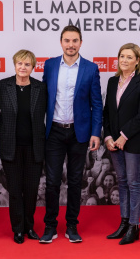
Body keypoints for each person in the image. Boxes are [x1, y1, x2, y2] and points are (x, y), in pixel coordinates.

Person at [40, 25, 103, 244]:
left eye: (75, 41)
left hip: (79, 132)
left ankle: (72, 226)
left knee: (76, 181)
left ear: (81, 43)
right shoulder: (49, 65)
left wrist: (96, 132)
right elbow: (42, 99)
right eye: (67, 40)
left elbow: (97, 103)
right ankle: (50, 226)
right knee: (52, 182)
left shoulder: (91, 68)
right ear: (61, 42)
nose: (70, 45)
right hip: (54, 132)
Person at [103, 43, 140, 245]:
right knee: (122, 182)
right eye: (121, 56)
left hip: (132, 141)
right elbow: (107, 112)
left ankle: (134, 225)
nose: (124, 60)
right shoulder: (112, 81)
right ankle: (124, 223)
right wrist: (108, 137)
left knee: (134, 183)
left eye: (129, 57)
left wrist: (124, 135)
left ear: (137, 61)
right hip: (114, 142)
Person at [0, 49, 47, 244]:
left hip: (34, 147)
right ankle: (18, 229)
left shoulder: (40, 88)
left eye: (27, 64)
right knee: (16, 191)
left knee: (32, 189)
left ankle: (29, 227)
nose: (23, 67)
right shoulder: (3, 86)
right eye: (20, 63)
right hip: (11, 147)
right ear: (14, 65)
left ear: (33, 67)